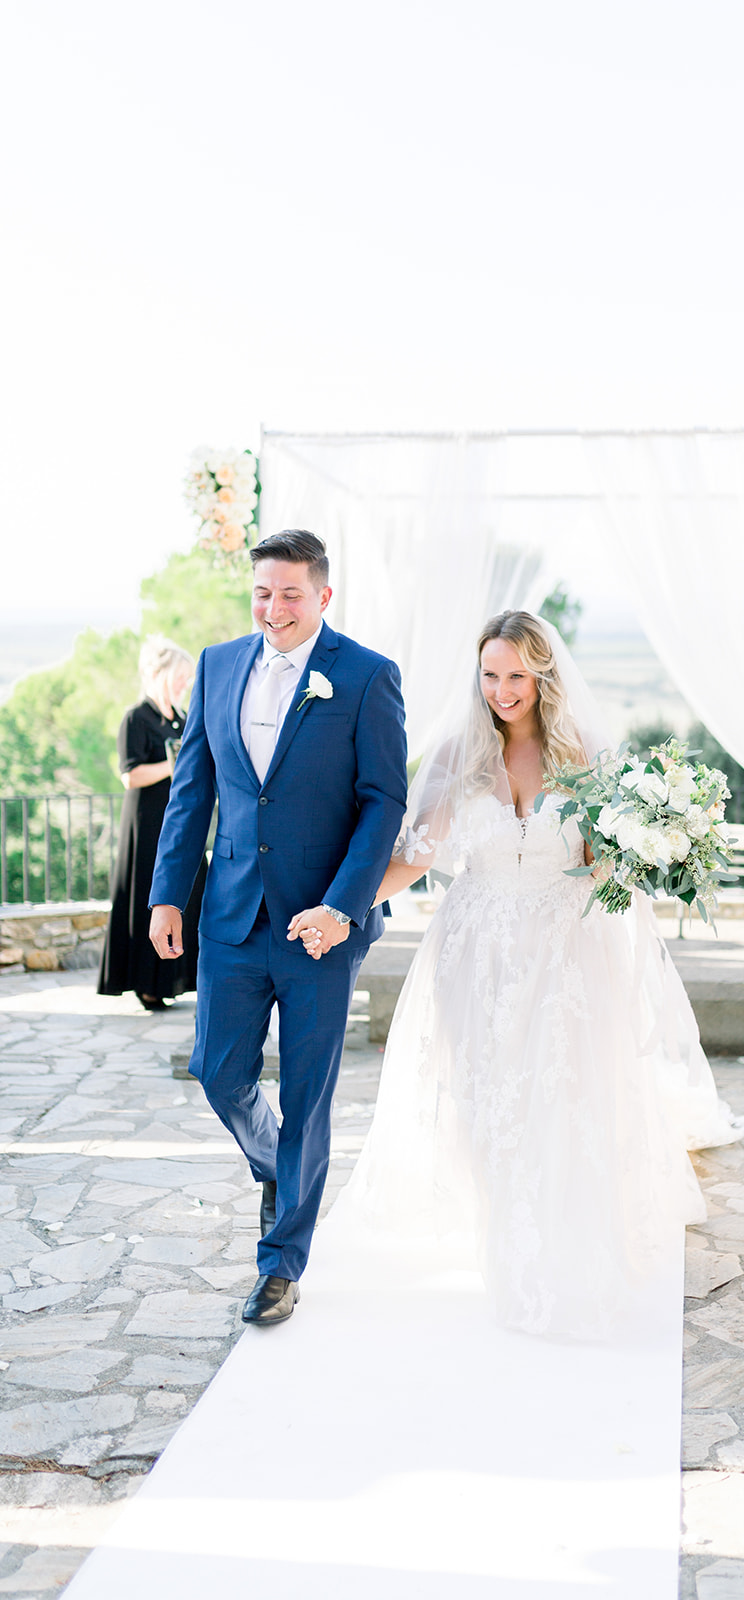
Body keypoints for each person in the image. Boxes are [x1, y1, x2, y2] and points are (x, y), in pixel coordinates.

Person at [353, 609, 744, 1340]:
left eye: (516, 675)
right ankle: (500, 1243)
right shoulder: (453, 755)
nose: (502, 690)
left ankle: (554, 1247)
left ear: (542, 676)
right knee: (485, 1096)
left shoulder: (588, 757)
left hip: (565, 951)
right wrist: (341, 910)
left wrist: (652, 846)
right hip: (474, 951)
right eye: (489, 675)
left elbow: (609, 863)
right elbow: (413, 859)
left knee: (559, 1092)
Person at [147, 529, 407, 1328]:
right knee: (219, 1071)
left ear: (323, 596)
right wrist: (166, 896)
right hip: (230, 915)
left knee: (307, 1094)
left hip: (319, 926)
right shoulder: (218, 665)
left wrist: (342, 906)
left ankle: (281, 1264)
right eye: (263, 592)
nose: (274, 608)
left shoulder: (365, 676)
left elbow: (382, 804)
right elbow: (193, 790)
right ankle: (276, 1166)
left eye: (291, 593)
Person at [98, 636, 206, 1010]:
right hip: (146, 823)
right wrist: (173, 765)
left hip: (179, 821)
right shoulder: (136, 718)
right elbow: (129, 775)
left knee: (191, 894)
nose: (185, 684)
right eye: (181, 676)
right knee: (151, 897)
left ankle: (181, 977)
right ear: (160, 674)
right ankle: (147, 983)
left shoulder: (182, 718)